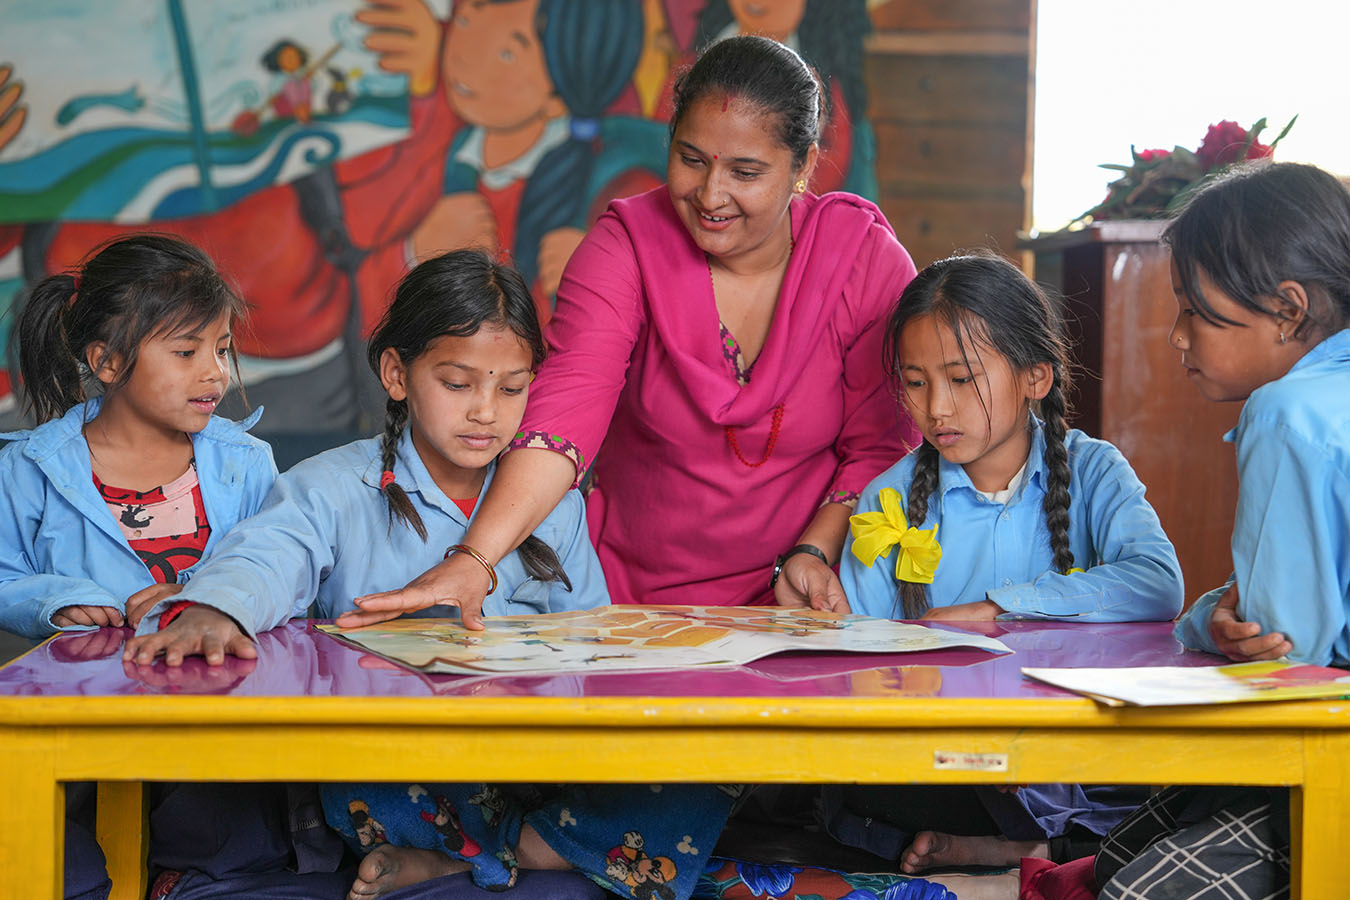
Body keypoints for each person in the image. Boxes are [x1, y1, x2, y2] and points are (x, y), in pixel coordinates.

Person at [125, 250, 729, 900]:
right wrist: (220, 610)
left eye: (511, 388)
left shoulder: (555, 500)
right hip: (409, 769)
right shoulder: (334, 488)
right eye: (458, 383)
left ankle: (487, 860)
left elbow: (593, 639)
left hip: (539, 758)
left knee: (714, 762)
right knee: (366, 775)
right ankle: (523, 853)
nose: (486, 412)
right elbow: (269, 555)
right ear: (397, 373)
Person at [338, 34, 920, 631]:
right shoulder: (627, 246)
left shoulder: (861, 261)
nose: (711, 195)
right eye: (692, 159)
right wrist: (475, 560)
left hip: (803, 601)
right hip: (625, 606)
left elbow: (878, 448)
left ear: (802, 167)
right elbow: (564, 414)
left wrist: (814, 551)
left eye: (745, 172)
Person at [829, 251, 1183, 873]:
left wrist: (1001, 608)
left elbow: (1158, 584)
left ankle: (1009, 850)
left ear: (1035, 377)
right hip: (943, 760)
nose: (936, 408)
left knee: (1173, 777)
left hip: (1068, 748)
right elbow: (857, 668)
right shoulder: (887, 499)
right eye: (915, 382)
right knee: (857, 784)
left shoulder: (1095, 470)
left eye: (962, 379)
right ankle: (1033, 851)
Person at [0, 234, 315, 900]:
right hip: (83, 729)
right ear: (107, 362)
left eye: (222, 349)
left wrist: (208, 601)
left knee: (234, 844)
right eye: (186, 352)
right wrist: (59, 598)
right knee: (58, 857)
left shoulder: (245, 461)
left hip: (221, 733)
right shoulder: (29, 468)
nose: (216, 373)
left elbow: (293, 573)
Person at [1094, 162, 1350, 899]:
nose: (1177, 336)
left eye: (1196, 312)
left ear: (1289, 310)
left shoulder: (1288, 412)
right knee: (1125, 845)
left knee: (1132, 883)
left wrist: (1205, 619)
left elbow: (1283, 652)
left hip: (1331, 752)